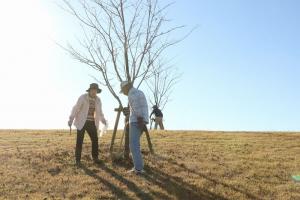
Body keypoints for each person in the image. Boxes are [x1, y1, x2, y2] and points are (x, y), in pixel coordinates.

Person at [68, 83, 107, 166]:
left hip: (91, 122)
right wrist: (71, 119)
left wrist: (103, 120)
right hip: (82, 121)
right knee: (79, 141)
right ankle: (77, 160)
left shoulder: (98, 100)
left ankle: (95, 158)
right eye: (93, 90)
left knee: (95, 139)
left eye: (95, 91)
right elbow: (76, 108)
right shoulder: (83, 97)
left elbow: (100, 112)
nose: (94, 92)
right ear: (90, 90)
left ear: (97, 91)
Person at [120, 81, 149, 174]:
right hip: (141, 120)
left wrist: (139, 119)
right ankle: (139, 167)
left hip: (137, 121)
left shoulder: (131, 94)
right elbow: (141, 107)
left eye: (123, 91)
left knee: (133, 146)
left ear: (126, 88)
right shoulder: (139, 92)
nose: (123, 93)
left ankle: (139, 169)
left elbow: (137, 109)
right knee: (136, 145)